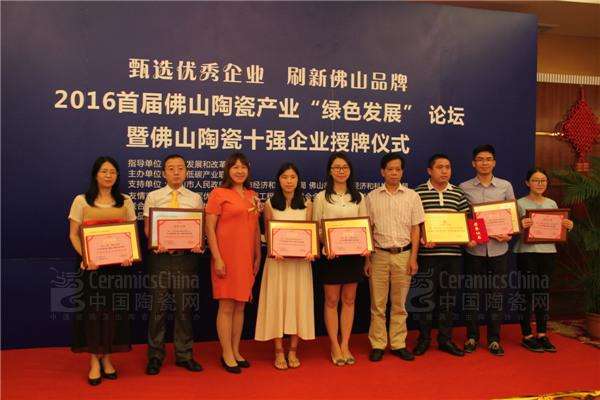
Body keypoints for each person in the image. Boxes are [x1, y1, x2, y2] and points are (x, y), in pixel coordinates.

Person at [68, 156, 136, 385]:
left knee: (113, 315)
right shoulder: (81, 201)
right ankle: (94, 361)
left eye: (113, 172)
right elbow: (73, 235)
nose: (109, 175)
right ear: (95, 174)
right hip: (91, 269)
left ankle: (107, 358)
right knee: (93, 315)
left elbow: (131, 233)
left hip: (118, 269)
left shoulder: (125, 201)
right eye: (104, 171)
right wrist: (86, 258)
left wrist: (129, 254)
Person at [143, 154, 204, 375]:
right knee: (157, 309)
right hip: (160, 259)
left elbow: (199, 229)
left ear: (186, 172)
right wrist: (156, 242)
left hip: (186, 259)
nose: (176, 172)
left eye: (180, 168)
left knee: (183, 308)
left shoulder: (195, 198)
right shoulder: (153, 197)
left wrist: (197, 243)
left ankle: (184, 355)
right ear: (163, 173)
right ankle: (155, 356)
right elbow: (148, 229)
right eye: (171, 168)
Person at [255, 162, 315, 370]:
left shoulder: (307, 204)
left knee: (298, 304)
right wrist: (274, 249)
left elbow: (310, 235)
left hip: (300, 265)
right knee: (277, 303)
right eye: (284, 177)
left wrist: (310, 251)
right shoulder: (270, 204)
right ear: (278, 180)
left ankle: (293, 350)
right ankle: (279, 350)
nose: (289, 181)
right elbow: (268, 236)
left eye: (292, 177)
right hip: (278, 264)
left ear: (298, 180)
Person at [365, 153, 424, 362]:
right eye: (390, 169)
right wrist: (367, 260)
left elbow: (416, 229)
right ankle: (378, 344)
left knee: (399, 305)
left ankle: (398, 343)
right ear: (382, 172)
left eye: (398, 169)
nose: (394, 173)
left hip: (403, 255)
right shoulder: (372, 197)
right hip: (379, 255)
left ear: (402, 172)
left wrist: (413, 258)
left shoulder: (412, 196)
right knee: (378, 304)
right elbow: (367, 229)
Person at [205, 152, 261, 374]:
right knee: (227, 306)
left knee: (240, 306)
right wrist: (217, 258)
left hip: (246, 258)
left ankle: (236, 350)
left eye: (243, 167)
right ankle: (226, 352)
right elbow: (209, 228)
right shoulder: (218, 193)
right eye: (235, 167)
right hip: (226, 257)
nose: (239, 171)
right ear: (228, 170)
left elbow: (255, 228)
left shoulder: (252, 195)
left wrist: (257, 255)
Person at [413, 154, 472, 357]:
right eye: (440, 167)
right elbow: (414, 224)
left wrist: (467, 238)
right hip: (427, 255)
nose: (445, 171)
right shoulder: (418, 193)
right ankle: (424, 339)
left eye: (448, 167)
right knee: (425, 299)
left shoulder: (458, 193)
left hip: (452, 256)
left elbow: (466, 222)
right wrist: (423, 237)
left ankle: (445, 339)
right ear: (430, 170)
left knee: (448, 299)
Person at [313, 152, 369, 366]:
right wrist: (327, 244)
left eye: (345, 167)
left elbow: (365, 226)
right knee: (331, 300)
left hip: (353, 256)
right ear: (330, 171)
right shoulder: (321, 197)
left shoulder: (359, 197)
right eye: (336, 167)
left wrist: (365, 248)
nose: (341, 171)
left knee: (349, 300)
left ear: (350, 170)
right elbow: (317, 227)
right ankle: (334, 345)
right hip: (331, 256)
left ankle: (345, 343)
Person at [459, 144, 515, 356]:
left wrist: (509, 233)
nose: (484, 163)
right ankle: (472, 337)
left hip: (499, 249)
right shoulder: (464, 187)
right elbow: (462, 218)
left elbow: (511, 216)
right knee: (472, 296)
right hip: (474, 251)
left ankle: (494, 339)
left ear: (494, 162)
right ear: (473, 163)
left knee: (496, 296)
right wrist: (467, 237)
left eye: (488, 159)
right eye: (480, 159)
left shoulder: (505, 186)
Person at [514, 168, 573, 353]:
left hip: (548, 253)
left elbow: (557, 227)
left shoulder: (552, 203)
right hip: (526, 253)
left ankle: (542, 334)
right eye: (535, 180)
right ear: (527, 183)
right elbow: (512, 229)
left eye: (543, 180)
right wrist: (520, 225)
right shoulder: (519, 203)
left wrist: (567, 225)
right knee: (526, 294)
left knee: (543, 294)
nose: (540, 184)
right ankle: (527, 335)